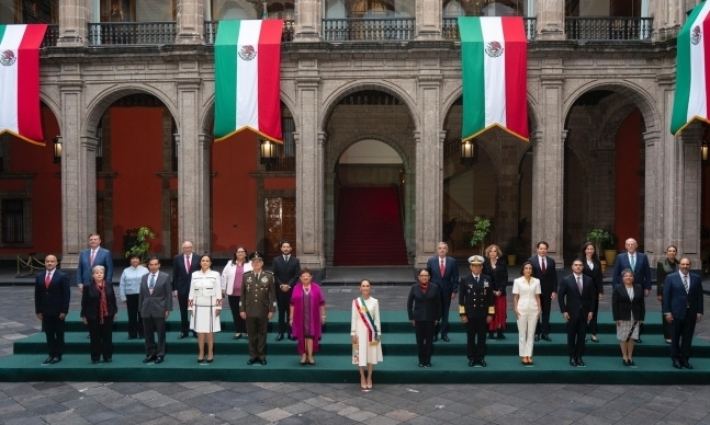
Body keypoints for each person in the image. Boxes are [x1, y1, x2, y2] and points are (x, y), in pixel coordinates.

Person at [663, 257, 704, 369]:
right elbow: (667, 296)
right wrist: (667, 312)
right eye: (683, 264)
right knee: (675, 338)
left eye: (687, 264)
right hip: (675, 313)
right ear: (679, 265)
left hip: (691, 313)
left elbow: (699, 296)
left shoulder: (696, 278)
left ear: (690, 265)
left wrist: (699, 312)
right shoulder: (671, 278)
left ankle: (685, 359)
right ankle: (675, 359)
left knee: (687, 338)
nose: (685, 266)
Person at [558, 258, 596, 367]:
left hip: (584, 312)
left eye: (580, 265)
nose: (578, 267)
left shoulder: (589, 280)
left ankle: (579, 356)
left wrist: (591, 311)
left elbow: (593, 297)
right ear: (572, 267)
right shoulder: (566, 280)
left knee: (581, 336)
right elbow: (560, 297)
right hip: (570, 312)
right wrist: (564, 311)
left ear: (583, 267)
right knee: (571, 335)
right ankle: (571, 356)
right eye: (576, 265)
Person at [240, 251, 277, 365]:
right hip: (250, 310)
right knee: (251, 335)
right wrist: (242, 310)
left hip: (263, 310)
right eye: (254, 262)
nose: (256, 264)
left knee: (262, 334)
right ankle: (253, 355)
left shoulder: (269, 276)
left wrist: (272, 310)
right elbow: (242, 295)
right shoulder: (246, 276)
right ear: (251, 264)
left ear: (262, 263)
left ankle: (261, 355)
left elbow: (273, 296)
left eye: (258, 262)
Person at [612, 238, 651, 343]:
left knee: (638, 309)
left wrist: (647, 287)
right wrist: (615, 287)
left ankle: (637, 335)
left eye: (632, 244)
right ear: (625, 246)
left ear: (636, 245)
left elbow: (647, 273)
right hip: (623, 288)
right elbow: (616, 273)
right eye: (628, 244)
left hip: (639, 287)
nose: (630, 246)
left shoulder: (643, 257)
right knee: (625, 308)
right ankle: (624, 333)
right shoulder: (620, 257)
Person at [459, 255, 494, 367]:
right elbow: (461, 299)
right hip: (470, 313)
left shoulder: (487, 279)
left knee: (482, 337)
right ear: (470, 267)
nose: (476, 268)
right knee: (470, 337)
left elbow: (490, 298)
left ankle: (480, 357)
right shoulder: (465, 279)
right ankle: (472, 357)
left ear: (482, 267)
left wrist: (490, 313)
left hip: (483, 313)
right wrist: (463, 314)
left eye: (479, 266)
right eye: (474, 266)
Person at [34, 255, 70, 364]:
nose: (49, 263)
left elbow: (66, 295)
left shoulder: (62, 276)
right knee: (49, 334)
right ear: (44, 263)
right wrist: (38, 310)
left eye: (52, 261)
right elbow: (37, 295)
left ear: (56, 263)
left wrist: (64, 310)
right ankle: (51, 353)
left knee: (59, 333)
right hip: (45, 311)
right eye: (47, 261)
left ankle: (58, 355)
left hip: (58, 311)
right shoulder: (39, 276)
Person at [80, 265, 118, 364]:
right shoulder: (88, 286)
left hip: (107, 315)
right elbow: (84, 302)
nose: (99, 274)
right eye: (97, 273)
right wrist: (84, 315)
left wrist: (114, 311)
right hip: (93, 316)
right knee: (95, 337)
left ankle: (107, 356)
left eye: (101, 273)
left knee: (107, 337)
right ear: (93, 275)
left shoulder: (109, 284)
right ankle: (95, 357)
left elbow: (113, 299)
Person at [289, 268, 326, 366]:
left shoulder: (317, 288)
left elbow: (322, 303)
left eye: (307, 276)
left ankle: (310, 356)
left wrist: (323, 315)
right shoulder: (296, 288)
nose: (305, 277)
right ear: (300, 278)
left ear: (311, 277)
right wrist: (291, 317)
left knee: (310, 336)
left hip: (313, 317)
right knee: (302, 336)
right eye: (303, 276)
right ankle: (303, 355)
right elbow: (292, 304)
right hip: (299, 317)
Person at [139, 256, 172, 364]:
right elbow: (142, 294)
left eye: (155, 264)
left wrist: (168, 309)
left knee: (160, 333)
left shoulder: (165, 277)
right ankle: (150, 353)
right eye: (151, 265)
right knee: (148, 333)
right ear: (148, 266)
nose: (153, 267)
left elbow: (169, 294)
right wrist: (140, 308)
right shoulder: (144, 277)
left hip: (160, 308)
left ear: (159, 265)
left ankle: (160, 354)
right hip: (146, 309)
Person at [189, 254, 222, 363]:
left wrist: (218, 306)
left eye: (207, 261)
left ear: (210, 263)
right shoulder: (194, 275)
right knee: (200, 331)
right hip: (198, 306)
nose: (205, 262)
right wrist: (190, 307)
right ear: (200, 262)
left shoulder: (215, 275)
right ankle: (201, 352)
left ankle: (210, 352)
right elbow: (191, 292)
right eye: (203, 260)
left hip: (211, 306)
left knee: (209, 331)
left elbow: (218, 292)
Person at [351, 279, 382, 391]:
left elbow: (377, 319)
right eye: (363, 286)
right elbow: (354, 319)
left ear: (370, 287)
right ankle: (362, 377)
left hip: (371, 333)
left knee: (371, 355)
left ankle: (369, 377)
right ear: (360, 288)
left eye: (367, 286)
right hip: (359, 332)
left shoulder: (375, 301)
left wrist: (378, 333)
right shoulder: (356, 302)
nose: (365, 288)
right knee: (359, 355)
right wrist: (353, 333)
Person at [407, 269, 441, 367]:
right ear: (419, 277)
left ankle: (428, 360)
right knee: (420, 340)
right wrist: (411, 317)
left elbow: (439, 304)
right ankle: (421, 360)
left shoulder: (435, 287)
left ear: (429, 277)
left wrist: (437, 318)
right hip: (418, 318)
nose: (424, 277)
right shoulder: (414, 287)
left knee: (429, 340)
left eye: (426, 275)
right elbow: (409, 303)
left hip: (431, 318)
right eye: (422, 275)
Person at [426, 242, 459, 342]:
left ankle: (444, 334)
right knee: (434, 313)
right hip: (434, 291)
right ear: (437, 250)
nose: (442, 250)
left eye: (444, 248)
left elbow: (456, 276)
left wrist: (454, 290)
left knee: (445, 313)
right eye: (440, 248)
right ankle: (434, 334)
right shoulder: (431, 261)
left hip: (447, 291)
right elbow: (428, 276)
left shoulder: (452, 261)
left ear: (447, 250)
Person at [612, 269, 645, 367]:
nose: (628, 278)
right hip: (622, 316)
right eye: (626, 276)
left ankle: (630, 356)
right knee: (623, 337)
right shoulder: (618, 288)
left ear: (633, 278)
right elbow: (615, 304)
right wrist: (616, 318)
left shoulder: (638, 288)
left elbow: (641, 304)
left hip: (635, 316)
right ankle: (624, 356)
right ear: (622, 278)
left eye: (630, 276)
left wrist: (641, 317)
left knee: (632, 337)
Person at [271, 240, 301, 341]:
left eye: (288, 247)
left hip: (291, 290)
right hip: (279, 290)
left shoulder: (295, 261)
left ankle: (290, 332)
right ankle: (280, 332)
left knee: (291, 312)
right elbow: (273, 274)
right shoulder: (276, 260)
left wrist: (288, 285)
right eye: (284, 247)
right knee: (281, 312)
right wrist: (281, 285)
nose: (286, 249)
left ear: (291, 248)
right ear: (281, 249)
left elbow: (297, 275)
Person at [512, 261, 541, 365]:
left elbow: (537, 296)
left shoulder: (536, 281)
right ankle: (523, 355)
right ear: (523, 270)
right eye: (526, 268)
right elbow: (515, 296)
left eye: (530, 268)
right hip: (521, 308)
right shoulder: (517, 281)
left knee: (531, 332)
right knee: (522, 332)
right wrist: (515, 308)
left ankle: (529, 354)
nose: (528, 270)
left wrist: (539, 309)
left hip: (533, 308)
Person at [221, 246, 252, 340]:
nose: (240, 253)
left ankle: (247, 332)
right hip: (233, 293)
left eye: (242, 252)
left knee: (246, 313)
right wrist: (223, 287)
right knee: (235, 313)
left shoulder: (250, 264)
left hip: (246, 293)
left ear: (246, 254)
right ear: (235, 254)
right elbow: (224, 275)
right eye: (238, 252)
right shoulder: (230, 263)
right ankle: (238, 331)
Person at [528, 241, 556, 342]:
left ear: (547, 250)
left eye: (544, 249)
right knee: (535, 312)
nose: (543, 250)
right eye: (541, 248)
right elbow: (528, 275)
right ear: (537, 249)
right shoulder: (531, 260)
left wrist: (554, 290)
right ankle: (536, 333)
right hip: (535, 291)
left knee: (546, 312)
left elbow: (554, 277)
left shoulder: (551, 261)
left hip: (548, 291)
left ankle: (545, 333)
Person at [173, 241, 200, 339]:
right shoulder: (177, 258)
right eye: (185, 248)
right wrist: (175, 289)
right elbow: (175, 274)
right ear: (182, 249)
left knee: (194, 310)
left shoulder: (198, 257)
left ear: (192, 248)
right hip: (181, 288)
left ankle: (195, 330)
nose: (187, 250)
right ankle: (184, 331)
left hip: (195, 288)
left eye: (189, 248)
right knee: (183, 311)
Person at [119, 254, 148, 339]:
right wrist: (123, 297)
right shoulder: (126, 271)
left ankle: (142, 333)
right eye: (133, 259)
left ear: (139, 260)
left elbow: (148, 283)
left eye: (136, 258)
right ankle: (132, 334)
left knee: (142, 315)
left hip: (142, 296)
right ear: (130, 260)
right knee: (132, 316)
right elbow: (122, 284)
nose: (134, 260)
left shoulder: (145, 270)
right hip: (130, 296)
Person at [483, 244, 508, 339]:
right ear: (488, 253)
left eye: (494, 251)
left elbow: (505, 278)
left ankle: (500, 331)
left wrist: (500, 290)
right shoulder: (484, 264)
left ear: (497, 253)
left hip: (501, 293)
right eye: (491, 251)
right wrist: (492, 291)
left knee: (501, 312)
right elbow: (484, 279)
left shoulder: (502, 263)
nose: (493, 253)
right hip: (489, 293)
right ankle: (491, 331)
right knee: (490, 311)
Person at [580, 242, 604, 343]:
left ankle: (593, 334)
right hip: (583, 290)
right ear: (584, 250)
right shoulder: (580, 261)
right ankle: (583, 334)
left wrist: (600, 291)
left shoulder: (597, 261)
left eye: (591, 249)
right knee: (583, 313)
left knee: (594, 312)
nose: (590, 251)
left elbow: (599, 277)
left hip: (594, 290)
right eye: (588, 249)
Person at [656, 245, 679, 344]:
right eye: (670, 251)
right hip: (666, 292)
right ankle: (667, 335)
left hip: (678, 293)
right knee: (666, 313)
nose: (672, 253)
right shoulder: (661, 263)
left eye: (674, 251)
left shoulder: (679, 264)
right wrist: (659, 294)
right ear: (666, 252)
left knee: (677, 314)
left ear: (676, 253)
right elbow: (659, 279)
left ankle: (675, 334)